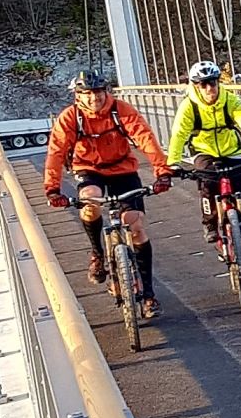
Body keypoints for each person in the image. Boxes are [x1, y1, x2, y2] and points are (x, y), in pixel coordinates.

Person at [42, 68, 172, 324]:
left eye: (98, 93)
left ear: (106, 92)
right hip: (88, 169)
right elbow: (57, 152)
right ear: (78, 96)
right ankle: (97, 253)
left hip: (123, 168)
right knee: (90, 202)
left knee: (135, 225)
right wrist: (52, 188)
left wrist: (162, 171)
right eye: (87, 94)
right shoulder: (70, 117)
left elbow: (144, 137)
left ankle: (148, 294)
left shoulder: (121, 110)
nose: (94, 99)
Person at [164, 60, 241, 277]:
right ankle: (210, 223)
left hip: (231, 151)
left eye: (212, 83)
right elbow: (178, 135)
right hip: (204, 151)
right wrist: (172, 162)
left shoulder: (230, 101)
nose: (209, 89)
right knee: (207, 184)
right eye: (203, 85)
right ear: (195, 86)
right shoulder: (189, 106)